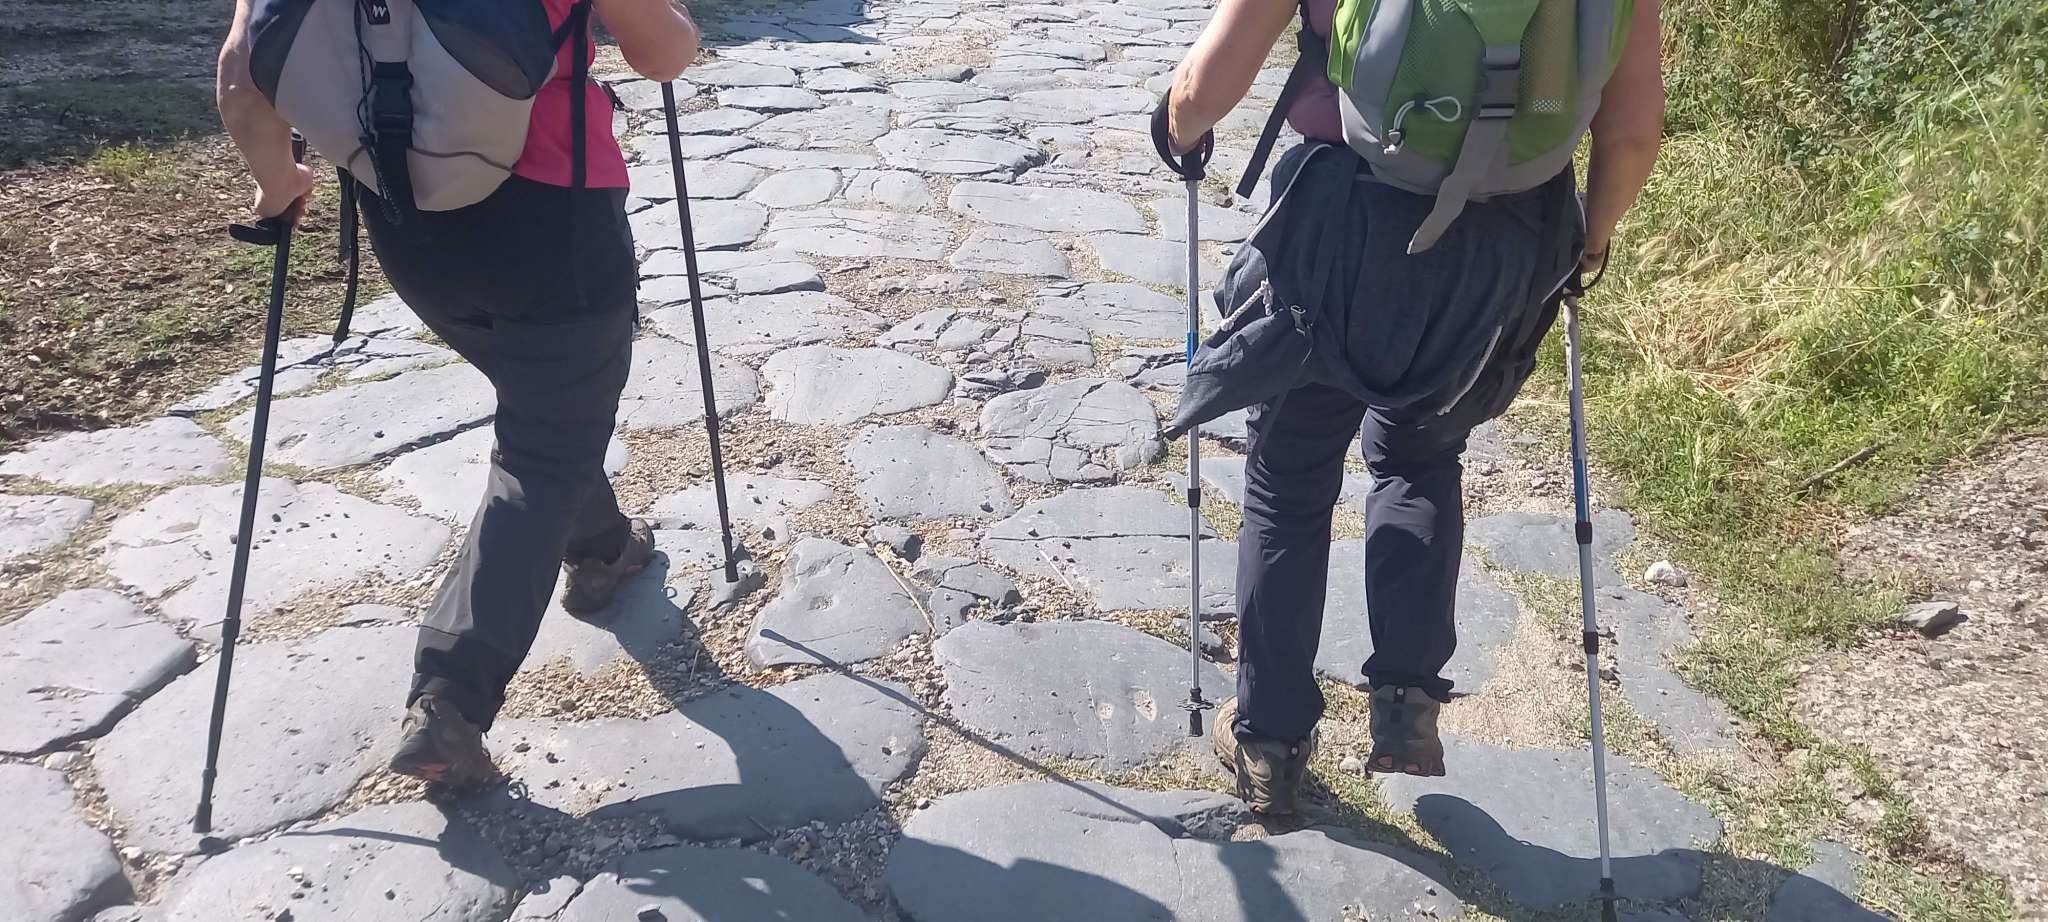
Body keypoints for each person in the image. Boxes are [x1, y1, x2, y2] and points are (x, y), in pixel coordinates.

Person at [1160, 0, 1665, 813]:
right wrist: (1590, 241)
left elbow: (1206, 84)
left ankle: (1271, 741)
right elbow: (1633, 131)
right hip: (1498, 253)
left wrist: (1176, 127)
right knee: (1421, 457)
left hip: (1338, 232)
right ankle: (1406, 704)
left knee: (1289, 480)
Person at [216, 0, 702, 786]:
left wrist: (279, 184)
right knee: (544, 450)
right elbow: (664, 53)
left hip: (409, 225)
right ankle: (450, 696)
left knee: (548, 411)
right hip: (555, 225)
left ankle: (602, 546)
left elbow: (243, 72)